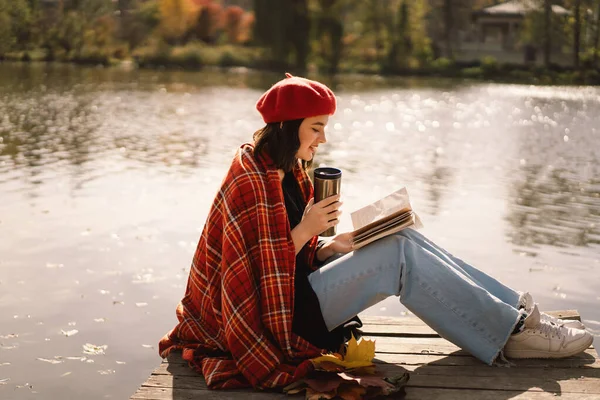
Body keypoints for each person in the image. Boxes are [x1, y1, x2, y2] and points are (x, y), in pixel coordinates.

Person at [158, 73, 593, 390]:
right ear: (288, 128)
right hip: (280, 318)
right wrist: (307, 228)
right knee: (399, 259)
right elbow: (250, 276)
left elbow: (292, 255)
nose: (322, 139)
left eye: (324, 127)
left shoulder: (287, 170)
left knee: (401, 238)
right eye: (316, 128)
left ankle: (516, 314)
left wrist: (337, 243)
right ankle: (510, 336)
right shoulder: (249, 177)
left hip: (295, 294)